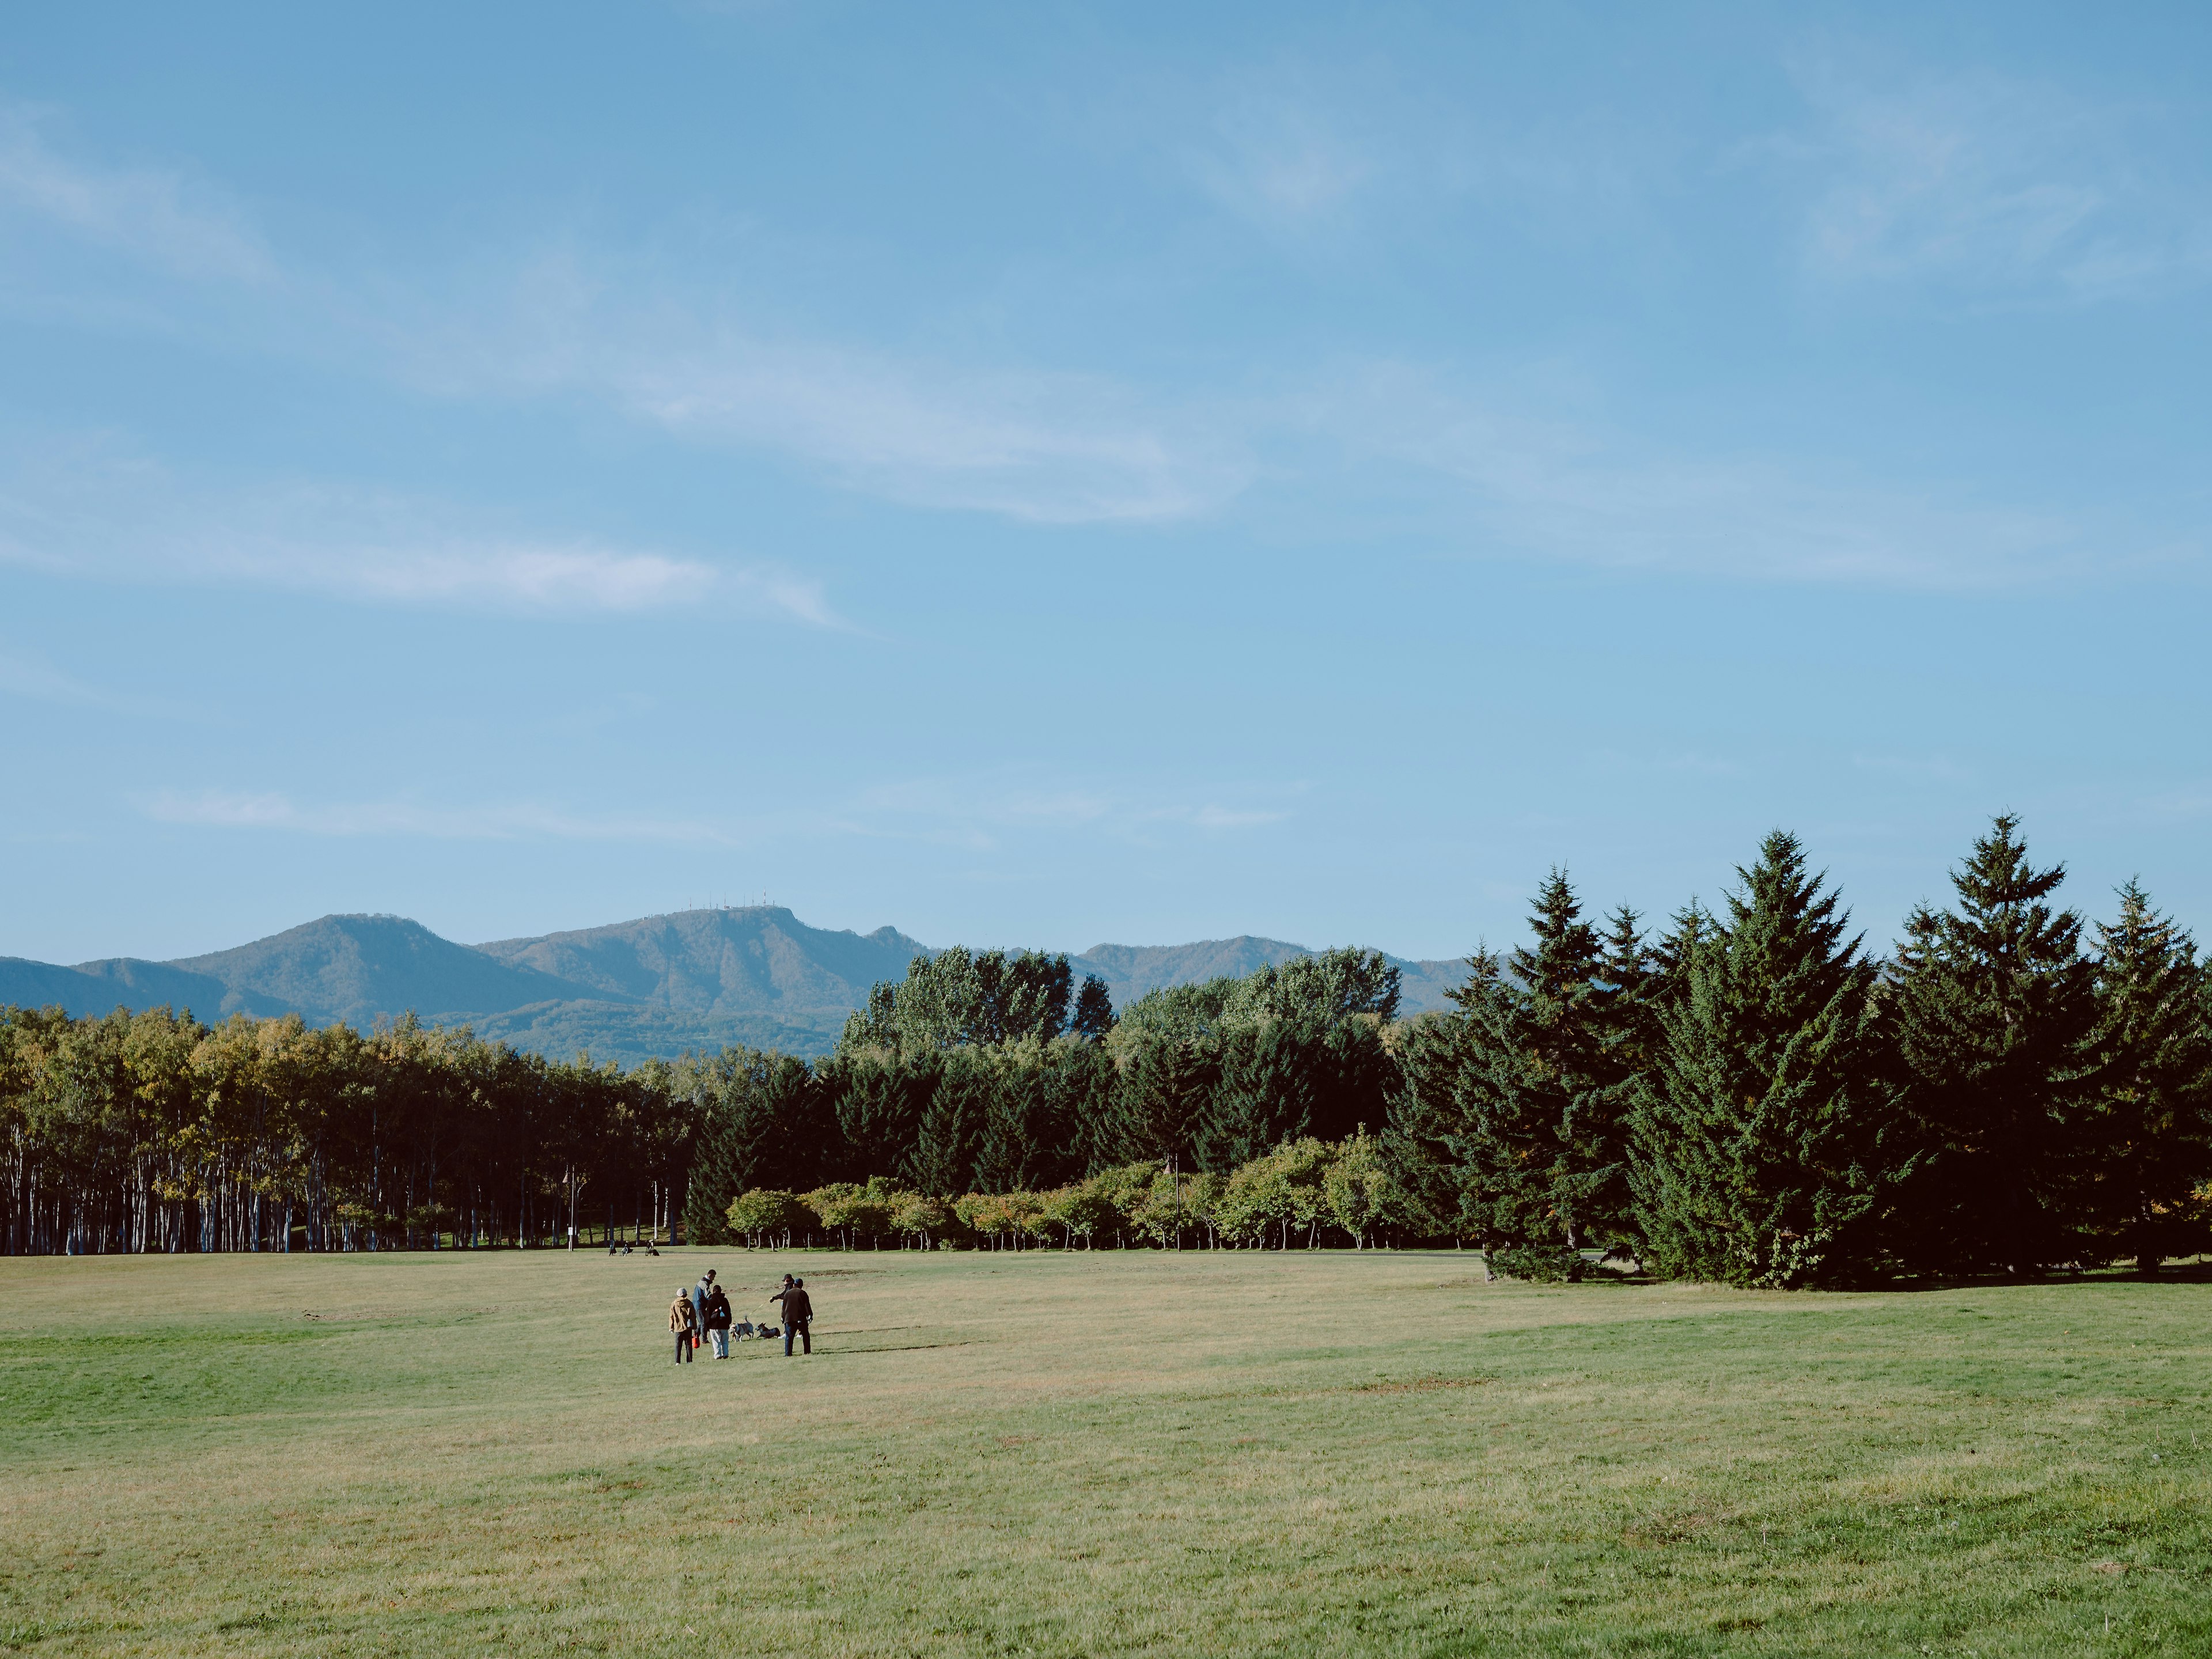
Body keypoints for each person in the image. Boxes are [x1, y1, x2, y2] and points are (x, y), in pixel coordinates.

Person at [773, 1276, 813, 1357]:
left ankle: (788, 1354)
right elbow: (807, 1306)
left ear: (794, 1284)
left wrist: (783, 1317)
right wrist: (810, 1315)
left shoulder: (787, 1294)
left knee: (789, 1338)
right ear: (801, 1285)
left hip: (789, 1319)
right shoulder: (803, 1293)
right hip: (801, 1319)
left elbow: (784, 1307)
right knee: (806, 1336)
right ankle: (807, 1352)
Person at [668, 1285, 698, 1363]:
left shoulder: (674, 1304)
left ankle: (677, 1362)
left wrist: (671, 1327)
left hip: (678, 1328)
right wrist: (695, 1327)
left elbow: (671, 1316)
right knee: (688, 1345)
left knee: (678, 1345)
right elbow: (693, 1316)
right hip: (688, 1327)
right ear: (686, 1295)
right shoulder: (690, 1303)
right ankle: (689, 1361)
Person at [703, 1282, 733, 1358]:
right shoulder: (725, 1300)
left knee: (716, 1341)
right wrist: (729, 1322)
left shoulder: (711, 1301)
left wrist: (707, 1325)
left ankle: (718, 1355)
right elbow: (729, 1312)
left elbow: (708, 1314)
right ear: (720, 1291)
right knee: (725, 1341)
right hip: (724, 1325)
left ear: (713, 1291)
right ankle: (726, 1354)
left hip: (714, 1326)